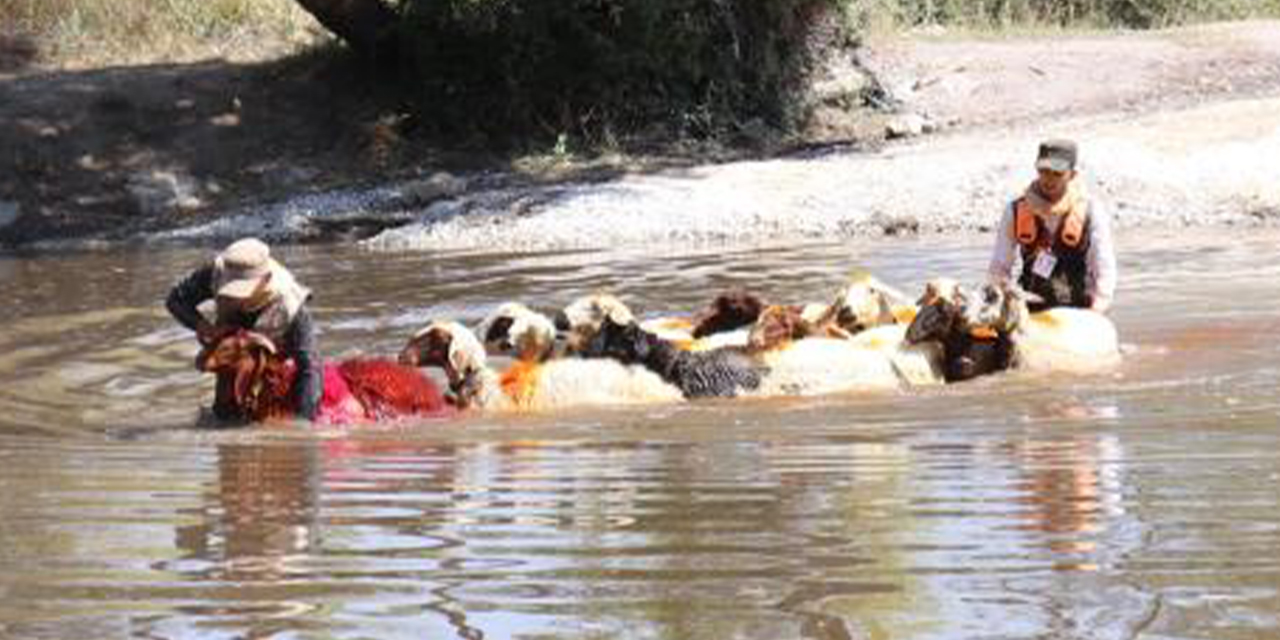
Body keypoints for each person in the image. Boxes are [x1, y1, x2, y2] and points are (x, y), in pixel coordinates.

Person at [167, 237, 322, 421]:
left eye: (242, 290)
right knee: (223, 416)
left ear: (266, 280)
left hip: (273, 350)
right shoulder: (216, 272)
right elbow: (176, 300)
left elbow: (310, 368)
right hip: (233, 356)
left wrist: (303, 426)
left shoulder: (291, 306)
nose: (235, 298)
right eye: (231, 289)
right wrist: (204, 327)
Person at [988, 139, 1116, 314]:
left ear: (1072, 175)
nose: (1049, 179)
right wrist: (1000, 300)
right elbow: (999, 266)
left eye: (1057, 173)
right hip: (1031, 310)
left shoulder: (1091, 211)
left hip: (1079, 311)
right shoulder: (1015, 210)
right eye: (1044, 171)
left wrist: (1097, 308)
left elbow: (1104, 266)